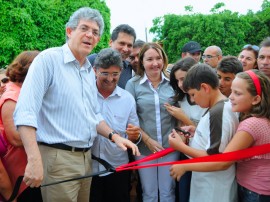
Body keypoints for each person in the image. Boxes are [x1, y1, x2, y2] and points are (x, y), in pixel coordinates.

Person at [13, 7, 139, 202]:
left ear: (98, 40)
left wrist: (114, 137)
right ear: (69, 31)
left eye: (95, 32)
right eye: (84, 28)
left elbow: (93, 116)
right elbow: (25, 112)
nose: (90, 35)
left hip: (85, 158)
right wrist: (34, 159)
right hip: (58, 158)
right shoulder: (48, 60)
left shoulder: (88, 71)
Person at [170, 69, 270, 202]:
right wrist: (197, 131)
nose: (231, 97)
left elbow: (220, 160)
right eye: (232, 91)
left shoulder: (236, 118)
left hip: (230, 190)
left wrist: (181, 150)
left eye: (193, 94)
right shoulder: (230, 109)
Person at [168, 64, 239, 202]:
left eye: (193, 94)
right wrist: (196, 131)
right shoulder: (218, 107)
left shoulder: (218, 113)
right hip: (208, 184)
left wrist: (180, 147)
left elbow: (215, 158)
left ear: (205, 87)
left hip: (213, 190)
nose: (193, 100)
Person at [126, 42, 179, 202]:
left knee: (167, 192)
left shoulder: (173, 82)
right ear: (142, 61)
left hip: (169, 147)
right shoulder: (133, 84)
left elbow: (179, 114)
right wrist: (148, 140)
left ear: (164, 59)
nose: (155, 63)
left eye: (158, 58)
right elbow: (130, 118)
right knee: (148, 192)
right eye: (149, 59)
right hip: (143, 148)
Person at [90, 48, 140, 202]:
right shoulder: (85, 95)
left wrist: (134, 136)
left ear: (121, 72)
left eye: (115, 74)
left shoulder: (127, 99)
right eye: (105, 73)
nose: (110, 79)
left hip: (118, 168)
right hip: (88, 169)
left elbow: (135, 135)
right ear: (95, 70)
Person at [0, 51, 42, 202]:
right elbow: (15, 138)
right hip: (18, 171)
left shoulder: (23, 91)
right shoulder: (12, 96)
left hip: (27, 167)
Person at [164, 57, 206, 202]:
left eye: (184, 78)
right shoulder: (180, 100)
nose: (182, 84)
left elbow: (207, 133)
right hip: (185, 155)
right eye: (178, 81)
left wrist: (184, 118)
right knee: (184, 195)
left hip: (204, 157)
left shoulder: (207, 100)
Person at [88, 24, 136, 89]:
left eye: (129, 45)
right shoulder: (91, 61)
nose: (125, 49)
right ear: (110, 42)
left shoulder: (130, 70)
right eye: (122, 43)